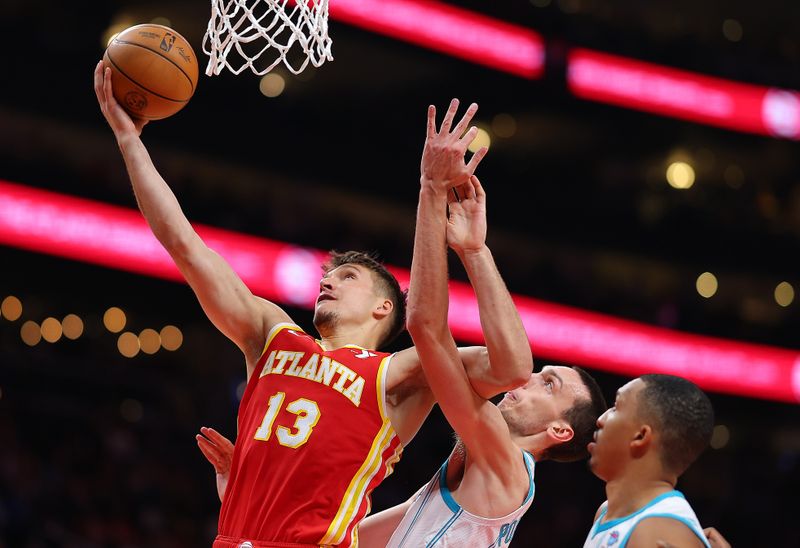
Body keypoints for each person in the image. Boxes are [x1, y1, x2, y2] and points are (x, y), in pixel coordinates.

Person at [95, 63, 533, 547]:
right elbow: (184, 245)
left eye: (347, 277)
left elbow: (512, 367)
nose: (328, 283)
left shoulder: (401, 375)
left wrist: (474, 250)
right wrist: (128, 140)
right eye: (327, 276)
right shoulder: (272, 334)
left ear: (384, 309)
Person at [198, 102, 607, 546]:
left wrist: (446, 211)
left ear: (558, 432)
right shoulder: (441, 493)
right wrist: (247, 490)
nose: (527, 383)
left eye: (548, 385)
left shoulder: (506, 463)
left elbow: (432, 329)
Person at [584, 374, 716, 548]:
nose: (601, 420)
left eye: (615, 407)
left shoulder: (659, 530)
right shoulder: (607, 512)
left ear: (641, 436)